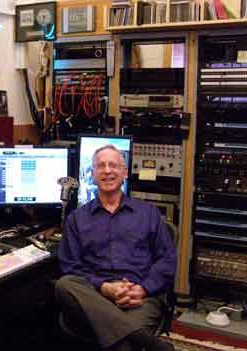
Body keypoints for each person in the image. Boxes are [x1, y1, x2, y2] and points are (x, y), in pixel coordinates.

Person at [56, 144, 176, 351]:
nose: (108, 170)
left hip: (139, 297)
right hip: (94, 297)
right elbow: (71, 267)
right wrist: (104, 287)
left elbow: (167, 260)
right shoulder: (77, 219)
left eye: (114, 165)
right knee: (64, 285)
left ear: (125, 173)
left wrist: (143, 288)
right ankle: (151, 343)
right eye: (101, 166)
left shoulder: (148, 213)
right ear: (92, 174)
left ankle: (136, 337)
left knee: (123, 345)